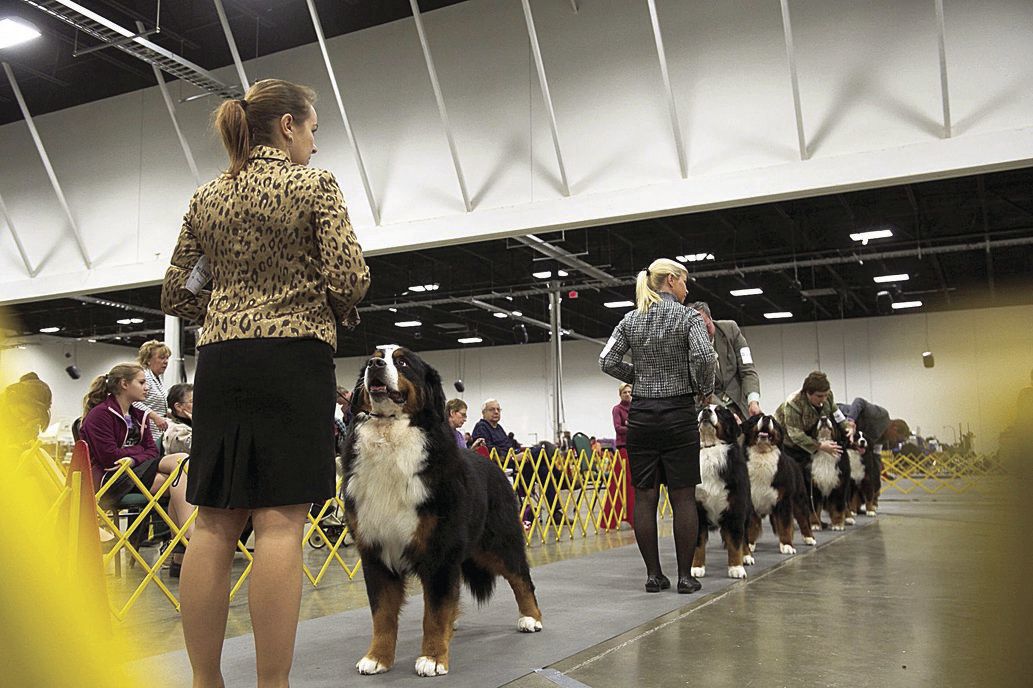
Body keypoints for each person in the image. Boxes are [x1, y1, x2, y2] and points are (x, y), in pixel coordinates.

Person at [161, 78, 370, 688]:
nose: (314, 143)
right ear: (287, 126)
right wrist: (325, 304)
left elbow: (177, 292)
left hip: (222, 363)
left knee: (212, 522)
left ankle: (205, 681)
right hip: (293, 360)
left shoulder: (207, 197)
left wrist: (225, 303)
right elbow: (349, 277)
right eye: (312, 130)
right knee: (280, 522)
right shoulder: (315, 186)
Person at [599, 257, 716, 594]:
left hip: (642, 418)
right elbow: (705, 357)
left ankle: (653, 575)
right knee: (682, 498)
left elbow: (606, 360)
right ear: (670, 280)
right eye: (684, 281)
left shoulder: (630, 319)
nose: (687, 287)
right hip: (678, 413)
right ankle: (684, 576)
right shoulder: (688, 317)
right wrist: (703, 388)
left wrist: (639, 377)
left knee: (645, 498)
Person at [79, 363, 192, 537]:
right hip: (110, 479)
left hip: (134, 470)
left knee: (182, 461)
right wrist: (139, 453)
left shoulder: (140, 415)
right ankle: (187, 538)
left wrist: (133, 458)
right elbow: (110, 458)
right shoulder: (99, 415)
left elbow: (152, 452)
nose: (147, 388)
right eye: (141, 383)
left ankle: (182, 544)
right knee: (179, 482)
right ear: (124, 384)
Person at [472, 399, 562, 526]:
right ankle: (560, 477)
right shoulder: (481, 427)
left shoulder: (499, 428)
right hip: (501, 468)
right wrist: (513, 457)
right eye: (492, 409)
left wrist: (518, 453)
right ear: (484, 413)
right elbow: (488, 451)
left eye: (498, 409)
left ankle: (555, 513)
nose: (496, 412)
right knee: (541, 449)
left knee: (544, 470)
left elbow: (509, 447)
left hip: (516, 467)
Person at [690, 301, 762, 419]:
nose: (705, 334)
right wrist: (726, 415)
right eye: (699, 331)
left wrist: (753, 401)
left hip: (743, 406)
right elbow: (700, 391)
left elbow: (748, 370)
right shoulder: (690, 347)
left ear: (711, 318)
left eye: (707, 327)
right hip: (715, 411)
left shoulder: (730, 329)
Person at [775, 371, 852, 468]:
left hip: (808, 436)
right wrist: (820, 446)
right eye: (819, 396)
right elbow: (796, 435)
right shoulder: (793, 403)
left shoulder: (828, 395)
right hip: (788, 442)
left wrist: (847, 427)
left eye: (826, 395)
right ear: (808, 393)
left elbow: (836, 412)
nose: (824, 399)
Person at [133, 340, 172, 448]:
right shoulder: (144, 377)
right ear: (148, 360)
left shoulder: (156, 378)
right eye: (161, 358)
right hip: (146, 433)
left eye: (167, 358)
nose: (166, 361)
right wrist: (155, 417)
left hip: (157, 432)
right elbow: (134, 402)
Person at [612, 384, 632, 450]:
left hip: (635, 443)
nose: (627, 394)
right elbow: (618, 428)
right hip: (623, 445)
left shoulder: (635, 409)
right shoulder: (617, 409)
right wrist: (633, 428)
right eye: (624, 392)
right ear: (620, 395)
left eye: (629, 392)